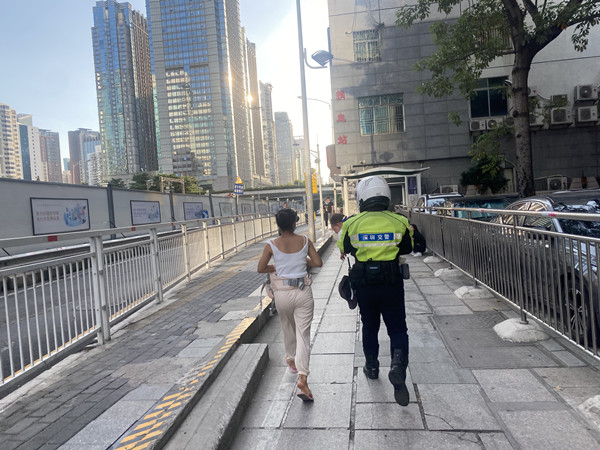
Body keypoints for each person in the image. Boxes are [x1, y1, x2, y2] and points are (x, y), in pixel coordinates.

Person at [337, 176, 413, 406]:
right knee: (397, 327)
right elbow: (408, 248)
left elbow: (344, 247)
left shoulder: (352, 223)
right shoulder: (399, 221)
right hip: (391, 282)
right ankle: (398, 365)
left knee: (370, 325)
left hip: (365, 284)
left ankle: (371, 367)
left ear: (362, 198)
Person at [257, 208, 323, 402]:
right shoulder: (304, 241)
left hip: (282, 294)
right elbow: (317, 262)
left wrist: (277, 266)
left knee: (287, 327)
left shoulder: (271, 244)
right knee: (303, 335)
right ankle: (303, 378)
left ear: (278, 225)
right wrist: (301, 259)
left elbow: (261, 268)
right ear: (295, 223)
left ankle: (290, 358)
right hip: (303, 292)